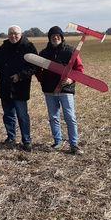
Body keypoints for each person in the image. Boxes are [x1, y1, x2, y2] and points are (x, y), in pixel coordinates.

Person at [36, 26, 84, 154]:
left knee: (70, 117)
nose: (55, 38)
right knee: (53, 117)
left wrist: (71, 80)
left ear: (62, 37)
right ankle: (57, 142)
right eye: (52, 36)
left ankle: (74, 144)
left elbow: (79, 69)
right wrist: (43, 80)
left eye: (57, 36)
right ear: (49, 38)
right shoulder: (44, 53)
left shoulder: (70, 51)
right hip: (49, 90)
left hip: (65, 90)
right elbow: (37, 70)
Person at [0, 25, 37, 151]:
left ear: (21, 34)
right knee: (8, 115)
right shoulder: (4, 47)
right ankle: (11, 137)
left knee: (22, 115)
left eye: (15, 34)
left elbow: (34, 66)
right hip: (5, 86)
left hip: (20, 87)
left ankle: (26, 140)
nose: (13, 36)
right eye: (10, 34)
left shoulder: (28, 47)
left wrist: (20, 76)